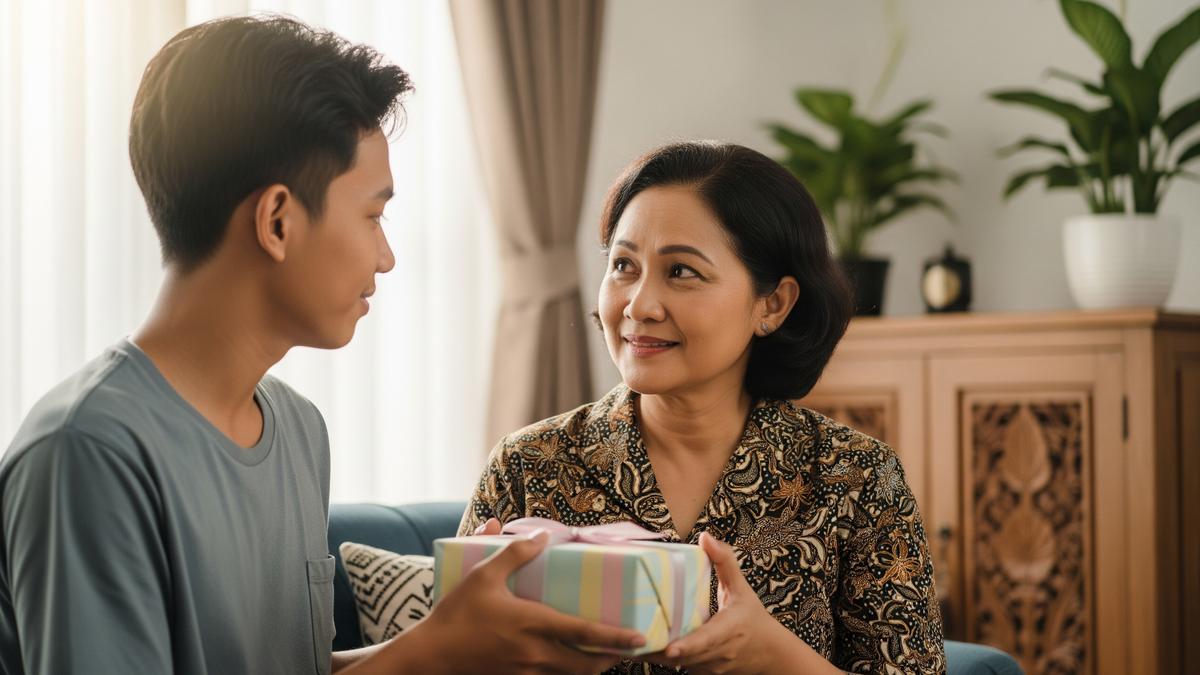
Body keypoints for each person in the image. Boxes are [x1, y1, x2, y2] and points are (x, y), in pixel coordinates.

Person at [0, 15, 642, 675]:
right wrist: (425, 652)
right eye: (373, 215)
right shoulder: (86, 451)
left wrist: (459, 648)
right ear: (278, 220)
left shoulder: (299, 429)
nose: (386, 256)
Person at [462, 141, 947, 674]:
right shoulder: (527, 464)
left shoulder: (856, 478)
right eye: (623, 265)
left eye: (682, 272)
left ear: (773, 304)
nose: (639, 305)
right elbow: (447, 656)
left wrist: (773, 657)